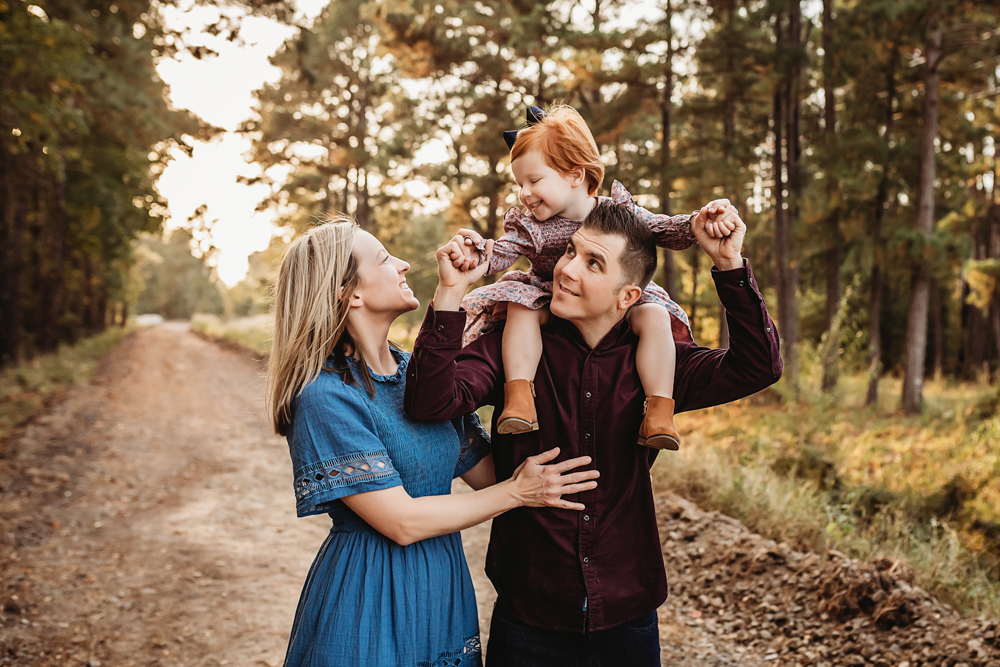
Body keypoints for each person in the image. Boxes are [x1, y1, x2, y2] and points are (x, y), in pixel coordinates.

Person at [405, 198, 782, 666]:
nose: (566, 270)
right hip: (528, 618)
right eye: (570, 253)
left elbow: (758, 366)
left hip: (627, 618)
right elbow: (429, 402)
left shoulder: (659, 364)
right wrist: (448, 295)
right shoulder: (513, 347)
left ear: (627, 296)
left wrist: (728, 264)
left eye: (593, 263)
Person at [265, 220, 600, 667]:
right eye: (385, 259)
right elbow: (402, 522)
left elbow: (490, 474)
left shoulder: (413, 377)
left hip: (440, 587)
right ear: (351, 293)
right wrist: (518, 492)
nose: (403, 263)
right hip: (370, 595)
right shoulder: (326, 396)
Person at [454, 105, 736, 450]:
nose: (524, 193)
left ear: (576, 174)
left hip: (610, 298)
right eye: (519, 184)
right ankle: (520, 396)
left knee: (654, 314)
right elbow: (504, 250)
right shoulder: (531, 225)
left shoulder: (617, 212)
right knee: (519, 306)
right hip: (546, 293)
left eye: (534, 181)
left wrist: (698, 223)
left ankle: (660, 409)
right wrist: (477, 255)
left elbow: (661, 228)